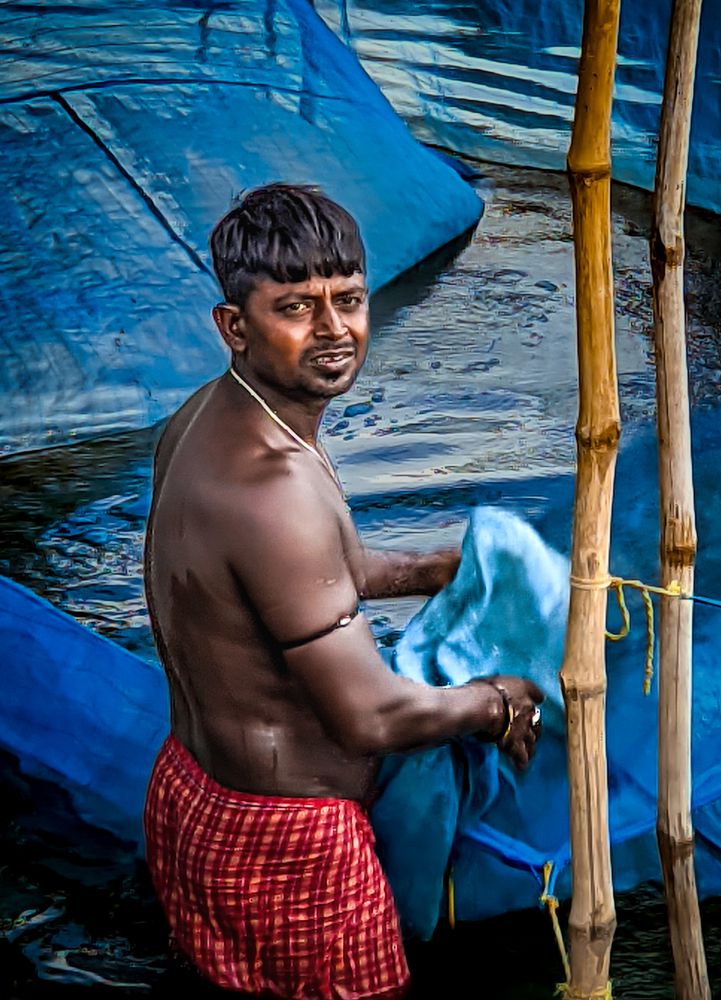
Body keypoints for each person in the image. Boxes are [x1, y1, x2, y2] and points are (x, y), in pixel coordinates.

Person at [143, 183, 543, 1000]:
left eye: (349, 300)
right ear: (234, 326)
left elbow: (309, 574)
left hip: (193, 798)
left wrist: (437, 567)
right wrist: (495, 701)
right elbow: (370, 718)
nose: (333, 331)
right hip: (291, 844)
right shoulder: (276, 490)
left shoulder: (209, 418)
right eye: (296, 308)